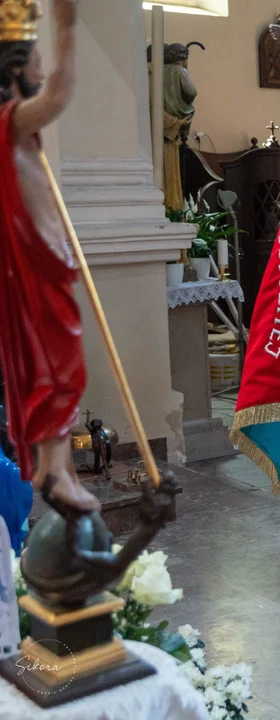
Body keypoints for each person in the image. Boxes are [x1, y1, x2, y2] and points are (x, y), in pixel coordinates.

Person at [0, 0, 100, 514]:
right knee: (55, 372)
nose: (43, 67)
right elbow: (60, 93)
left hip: (45, 262)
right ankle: (53, 471)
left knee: (62, 371)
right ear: (16, 69)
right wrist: (66, 27)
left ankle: (57, 468)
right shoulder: (14, 119)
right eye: (35, 59)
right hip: (35, 269)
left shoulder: (18, 128)